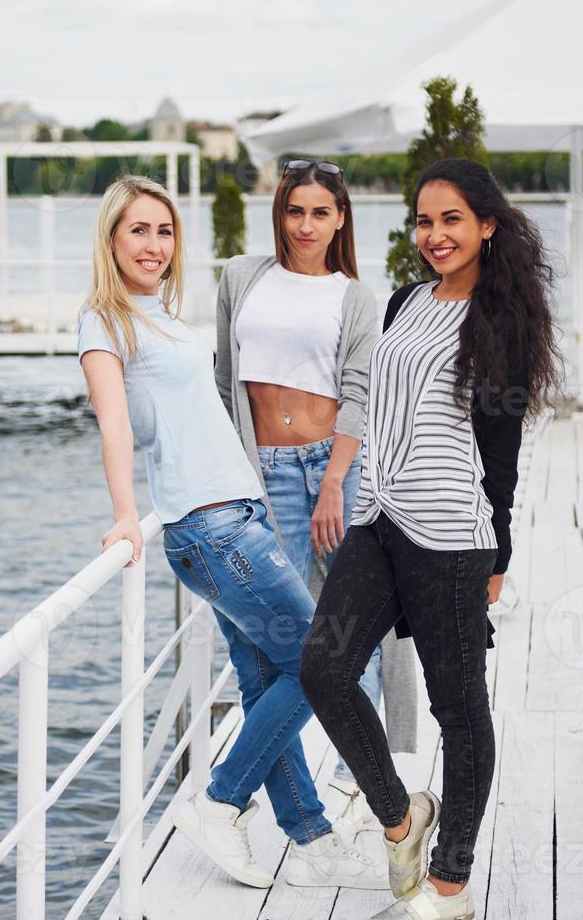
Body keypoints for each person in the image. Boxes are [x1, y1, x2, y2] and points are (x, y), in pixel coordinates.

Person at [78, 175, 378, 890]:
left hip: (237, 514)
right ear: (110, 240)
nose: (153, 245)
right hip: (211, 526)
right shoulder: (104, 320)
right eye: (137, 231)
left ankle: (307, 834)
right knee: (324, 663)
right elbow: (115, 424)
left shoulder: (161, 314)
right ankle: (220, 800)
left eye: (164, 231)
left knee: (268, 677)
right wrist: (125, 512)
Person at [301, 158, 560, 920]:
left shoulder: (499, 318)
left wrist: (499, 554)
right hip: (377, 520)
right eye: (423, 220)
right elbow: (380, 405)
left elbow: (501, 448)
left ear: (486, 225)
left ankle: (451, 883)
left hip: (451, 537)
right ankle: (401, 817)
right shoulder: (405, 302)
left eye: (451, 219)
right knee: (324, 667)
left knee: (458, 706)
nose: (435, 234)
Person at [214, 158, 418, 802]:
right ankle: (285, 779)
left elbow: (358, 394)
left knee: (362, 620)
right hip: (263, 471)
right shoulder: (242, 277)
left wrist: (334, 482)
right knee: (276, 632)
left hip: (335, 467)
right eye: (295, 211)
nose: (306, 225)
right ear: (279, 213)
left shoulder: (355, 297)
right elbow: (226, 382)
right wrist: (233, 474)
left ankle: (355, 774)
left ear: (340, 219)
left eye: (320, 212)